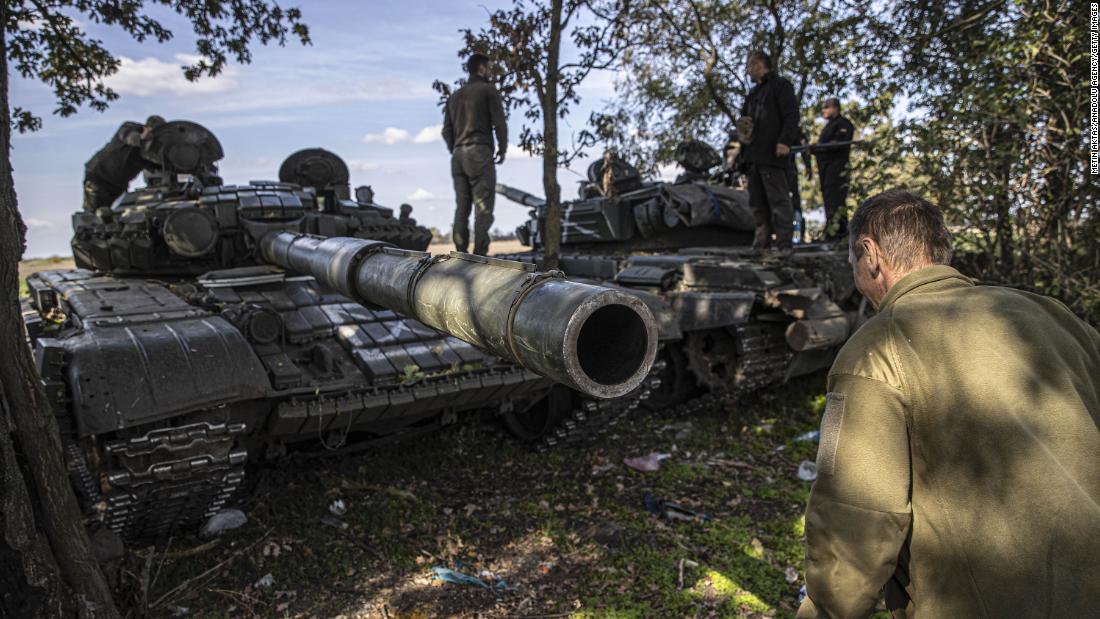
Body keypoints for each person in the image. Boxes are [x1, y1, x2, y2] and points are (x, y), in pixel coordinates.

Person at [797, 190, 1100, 618]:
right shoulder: (1051, 315)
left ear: (869, 255)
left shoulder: (876, 347)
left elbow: (857, 514)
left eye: (852, 263)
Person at [441, 52, 508, 255]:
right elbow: (499, 123)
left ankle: (460, 251)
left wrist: (455, 148)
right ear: (481, 68)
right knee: (483, 207)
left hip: (458, 156)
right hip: (479, 152)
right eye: (489, 68)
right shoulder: (488, 90)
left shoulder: (453, 97)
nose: (491, 72)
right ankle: (480, 254)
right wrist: (502, 148)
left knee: (462, 207)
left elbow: (446, 131)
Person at [738, 51, 800, 252]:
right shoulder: (753, 94)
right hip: (753, 156)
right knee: (757, 202)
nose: (748, 70)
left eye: (750, 65)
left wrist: (784, 142)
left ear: (759, 64)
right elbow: (745, 125)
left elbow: (791, 115)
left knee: (779, 200)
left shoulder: (781, 86)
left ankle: (784, 244)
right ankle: (761, 243)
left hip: (773, 154)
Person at [83, 115, 164, 211]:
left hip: (118, 186)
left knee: (116, 215)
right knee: (97, 214)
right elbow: (130, 138)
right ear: (146, 127)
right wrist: (142, 137)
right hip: (99, 178)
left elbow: (157, 166)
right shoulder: (129, 127)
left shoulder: (147, 152)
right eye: (152, 132)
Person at [812, 98, 854, 240]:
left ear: (836, 108)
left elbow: (838, 144)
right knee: (829, 201)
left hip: (837, 170)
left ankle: (838, 233)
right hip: (826, 170)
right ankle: (833, 232)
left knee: (836, 201)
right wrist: (815, 149)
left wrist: (820, 148)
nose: (823, 110)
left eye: (826, 107)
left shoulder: (843, 124)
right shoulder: (828, 126)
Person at [786, 125, 812, 243]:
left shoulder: (791, 127)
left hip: (788, 170)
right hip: (769, 170)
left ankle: (796, 236)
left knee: (794, 204)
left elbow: (803, 146)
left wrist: (808, 165)